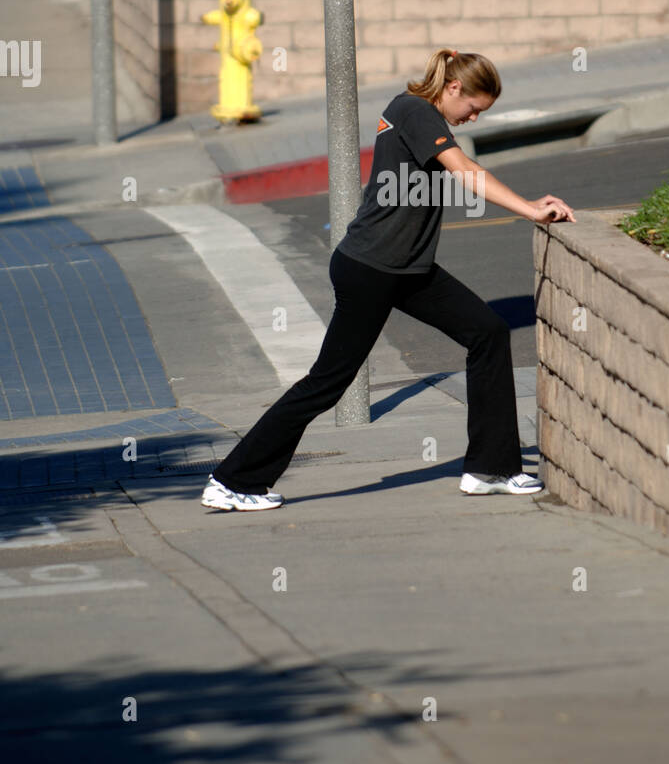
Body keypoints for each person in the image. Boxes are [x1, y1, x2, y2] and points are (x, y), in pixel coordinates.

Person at [201, 47, 577, 512]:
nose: (473, 119)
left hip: (408, 270)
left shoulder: (420, 114)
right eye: (473, 109)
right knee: (327, 383)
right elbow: (465, 172)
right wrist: (531, 210)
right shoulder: (415, 111)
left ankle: (491, 469)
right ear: (453, 88)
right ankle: (232, 480)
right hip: (373, 269)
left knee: (488, 331)